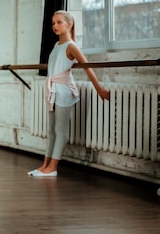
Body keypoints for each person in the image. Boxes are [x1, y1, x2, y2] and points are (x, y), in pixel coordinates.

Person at [28, 10, 110, 177]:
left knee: (61, 130)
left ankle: (53, 168)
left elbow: (87, 67)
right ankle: (45, 165)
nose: (55, 26)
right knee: (51, 130)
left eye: (59, 22)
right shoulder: (56, 46)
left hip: (64, 91)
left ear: (69, 24)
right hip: (53, 90)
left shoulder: (71, 46)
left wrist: (99, 89)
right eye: (53, 23)